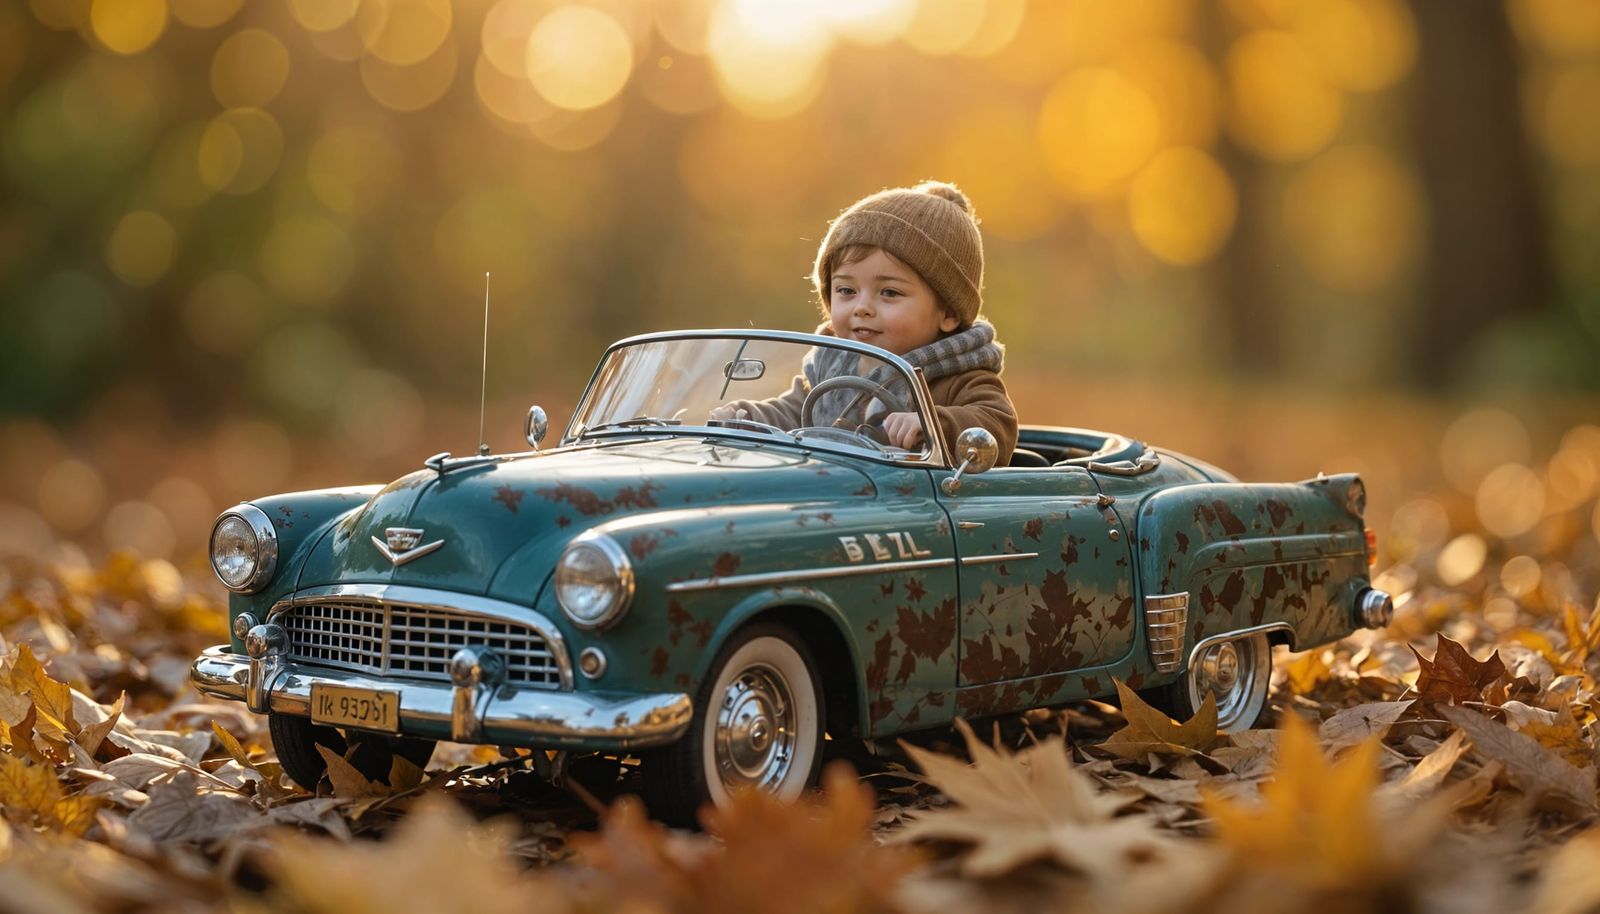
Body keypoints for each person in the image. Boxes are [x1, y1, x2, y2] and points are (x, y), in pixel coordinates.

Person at [714, 180, 1018, 464]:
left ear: (949, 313)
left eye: (889, 292)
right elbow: (796, 412)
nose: (862, 308)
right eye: (846, 290)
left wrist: (934, 424)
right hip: (837, 495)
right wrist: (748, 417)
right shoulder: (830, 365)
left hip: (912, 507)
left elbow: (997, 424)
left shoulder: (959, 374)